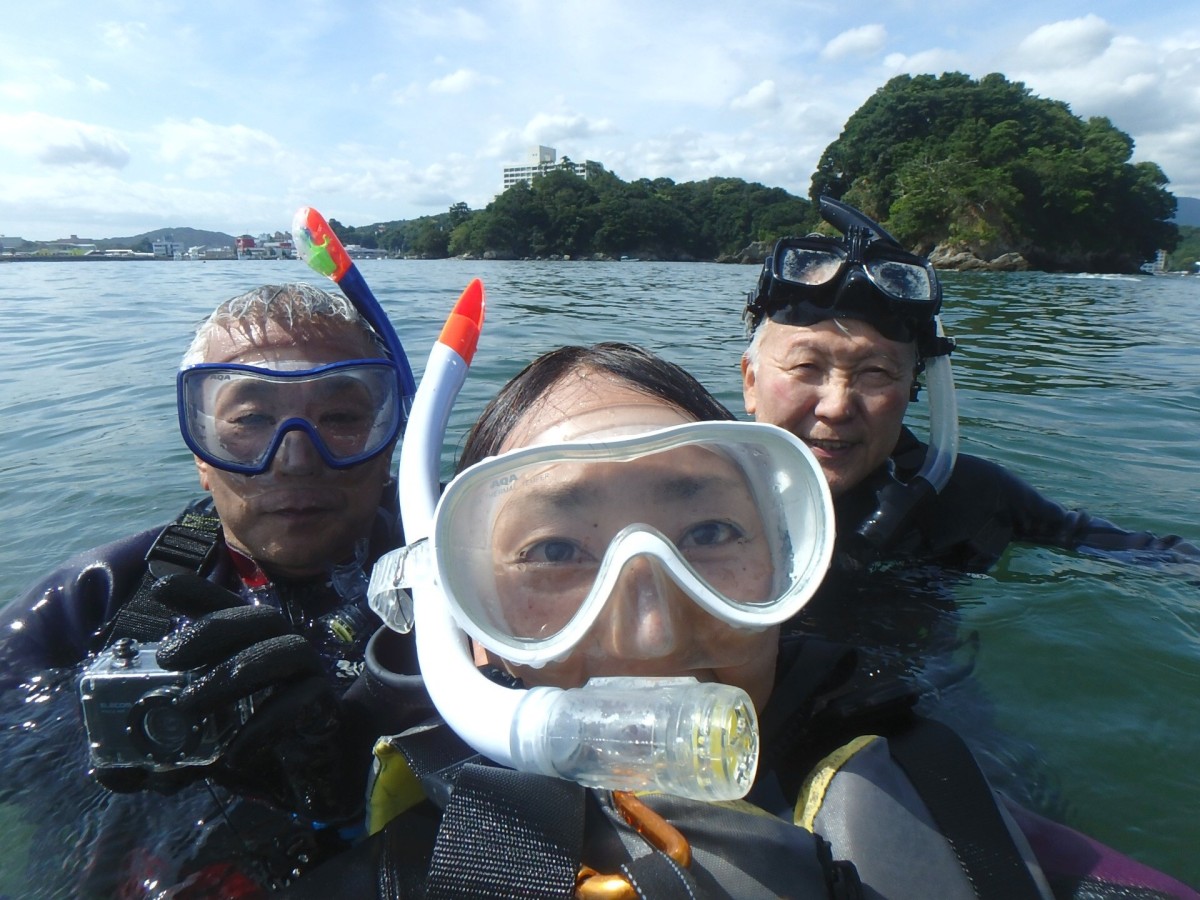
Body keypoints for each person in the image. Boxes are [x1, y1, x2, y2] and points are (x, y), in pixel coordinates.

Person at [288, 342, 1197, 899]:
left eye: (711, 532)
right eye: (558, 552)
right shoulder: (388, 865)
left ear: (789, 565)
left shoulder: (929, 804)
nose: (654, 636)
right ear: (469, 622)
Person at [0, 283, 432, 897]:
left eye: (341, 418)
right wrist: (145, 738)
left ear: (390, 438)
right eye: (251, 420)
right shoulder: (95, 597)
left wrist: (356, 744)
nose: (295, 459)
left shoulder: (460, 588)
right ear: (201, 453)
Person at [740, 196, 1199, 575]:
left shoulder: (966, 495)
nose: (837, 407)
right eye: (806, 367)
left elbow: (1150, 554)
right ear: (751, 382)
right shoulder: (690, 486)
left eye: (876, 373)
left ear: (915, 388)